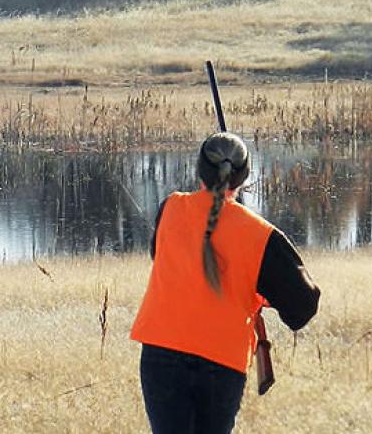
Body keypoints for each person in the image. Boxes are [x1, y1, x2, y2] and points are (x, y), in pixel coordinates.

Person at [130, 132, 321, 433]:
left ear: (198, 170)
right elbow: (302, 308)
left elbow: (159, 256)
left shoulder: (170, 208)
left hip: (161, 354)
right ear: (244, 177)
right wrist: (263, 290)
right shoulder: (261, 235)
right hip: (221, 362)